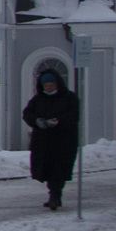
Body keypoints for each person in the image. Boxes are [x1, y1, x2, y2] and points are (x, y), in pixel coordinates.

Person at [21, 67, 80, 210]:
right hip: (43, 142)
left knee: (58, 169)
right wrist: (36, 121)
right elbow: (27, 113)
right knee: (46, 169)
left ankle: (55, 196)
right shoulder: (38, 99)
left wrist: (58, 121)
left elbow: (74, 115)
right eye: (46, 86)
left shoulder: (69, 98)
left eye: (51, 85)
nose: (48, 88)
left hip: (63, 141)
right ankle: (54, 194)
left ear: (57, 84)